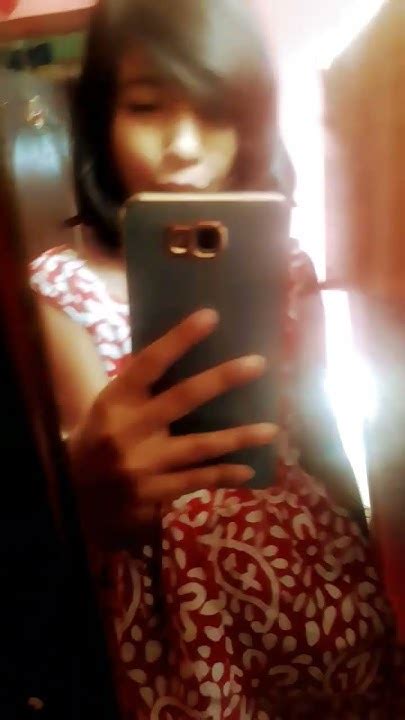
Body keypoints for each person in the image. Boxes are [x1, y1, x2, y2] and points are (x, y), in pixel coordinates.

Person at [29, 1, 400, 717]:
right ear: (101, 119)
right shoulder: (62, 289)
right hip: (174, 605)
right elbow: (95, 485)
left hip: (318, 582)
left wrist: (368, 556)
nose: (182, 146)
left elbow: (321, 434)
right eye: (147, 107)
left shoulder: (287, 269)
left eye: (216, 112)